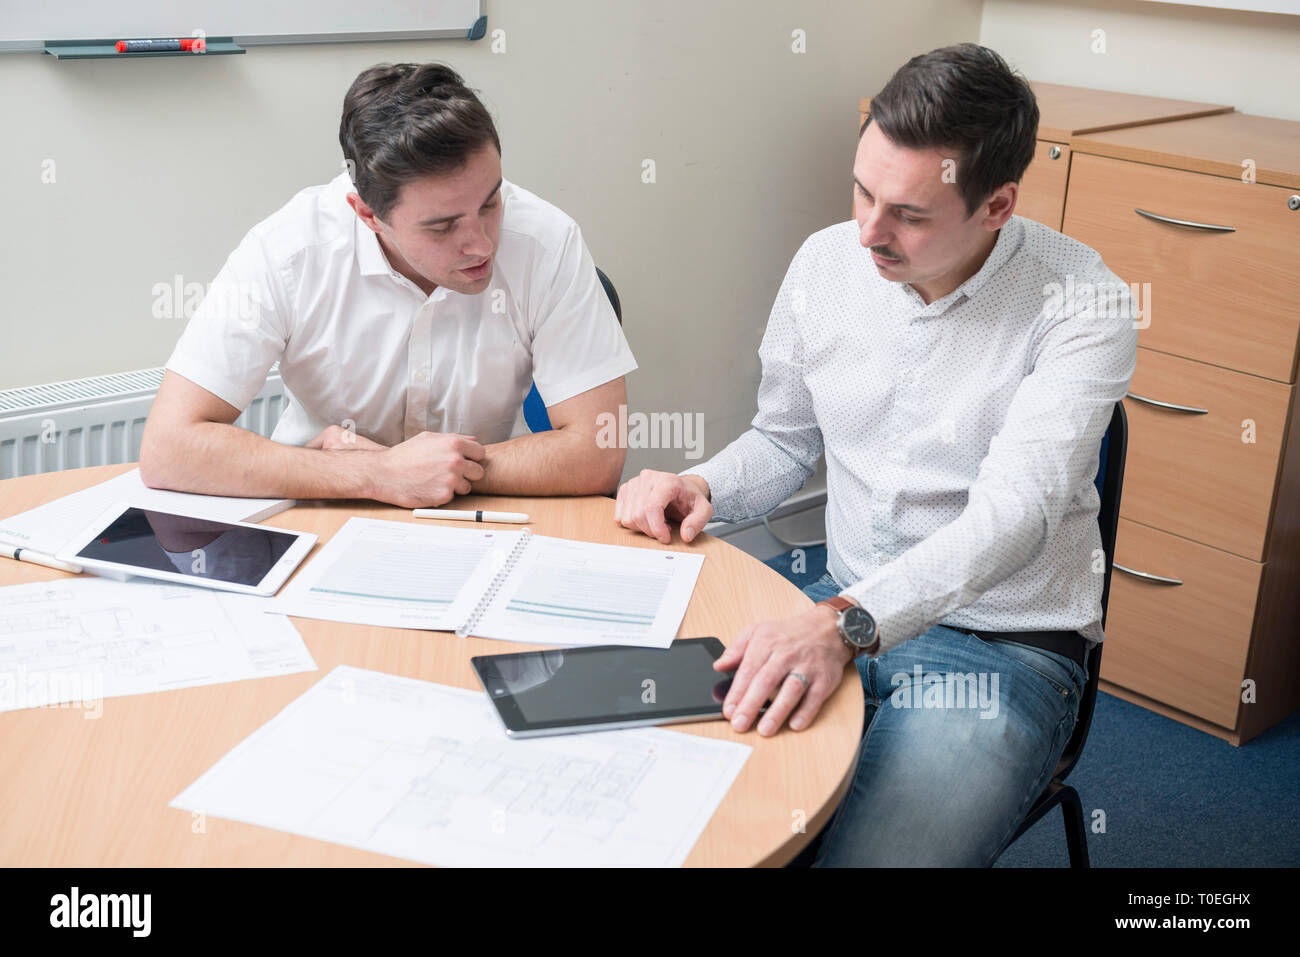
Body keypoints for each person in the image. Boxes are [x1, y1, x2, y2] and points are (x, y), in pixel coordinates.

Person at [613, 43, 1137, 866]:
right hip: (835, 601)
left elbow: (1016, 516)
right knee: (670, 797)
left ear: (997, 205)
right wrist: (697, 481)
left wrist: (843, 624)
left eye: (910, 214)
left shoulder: (1083, 303)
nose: (867, 231)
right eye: (863, 190)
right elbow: (784, 440)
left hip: (1001, 647)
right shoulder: (827, 263)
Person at [140, 62, 635, 507]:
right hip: (323, 511)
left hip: (480, 518)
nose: (481, 244)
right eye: (442, 227)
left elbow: (598, 450)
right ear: (368, 214)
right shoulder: (287, 250)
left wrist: (427, 470)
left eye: (490, 202)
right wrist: (375, 474)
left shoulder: (548, 242)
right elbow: (169, 447)